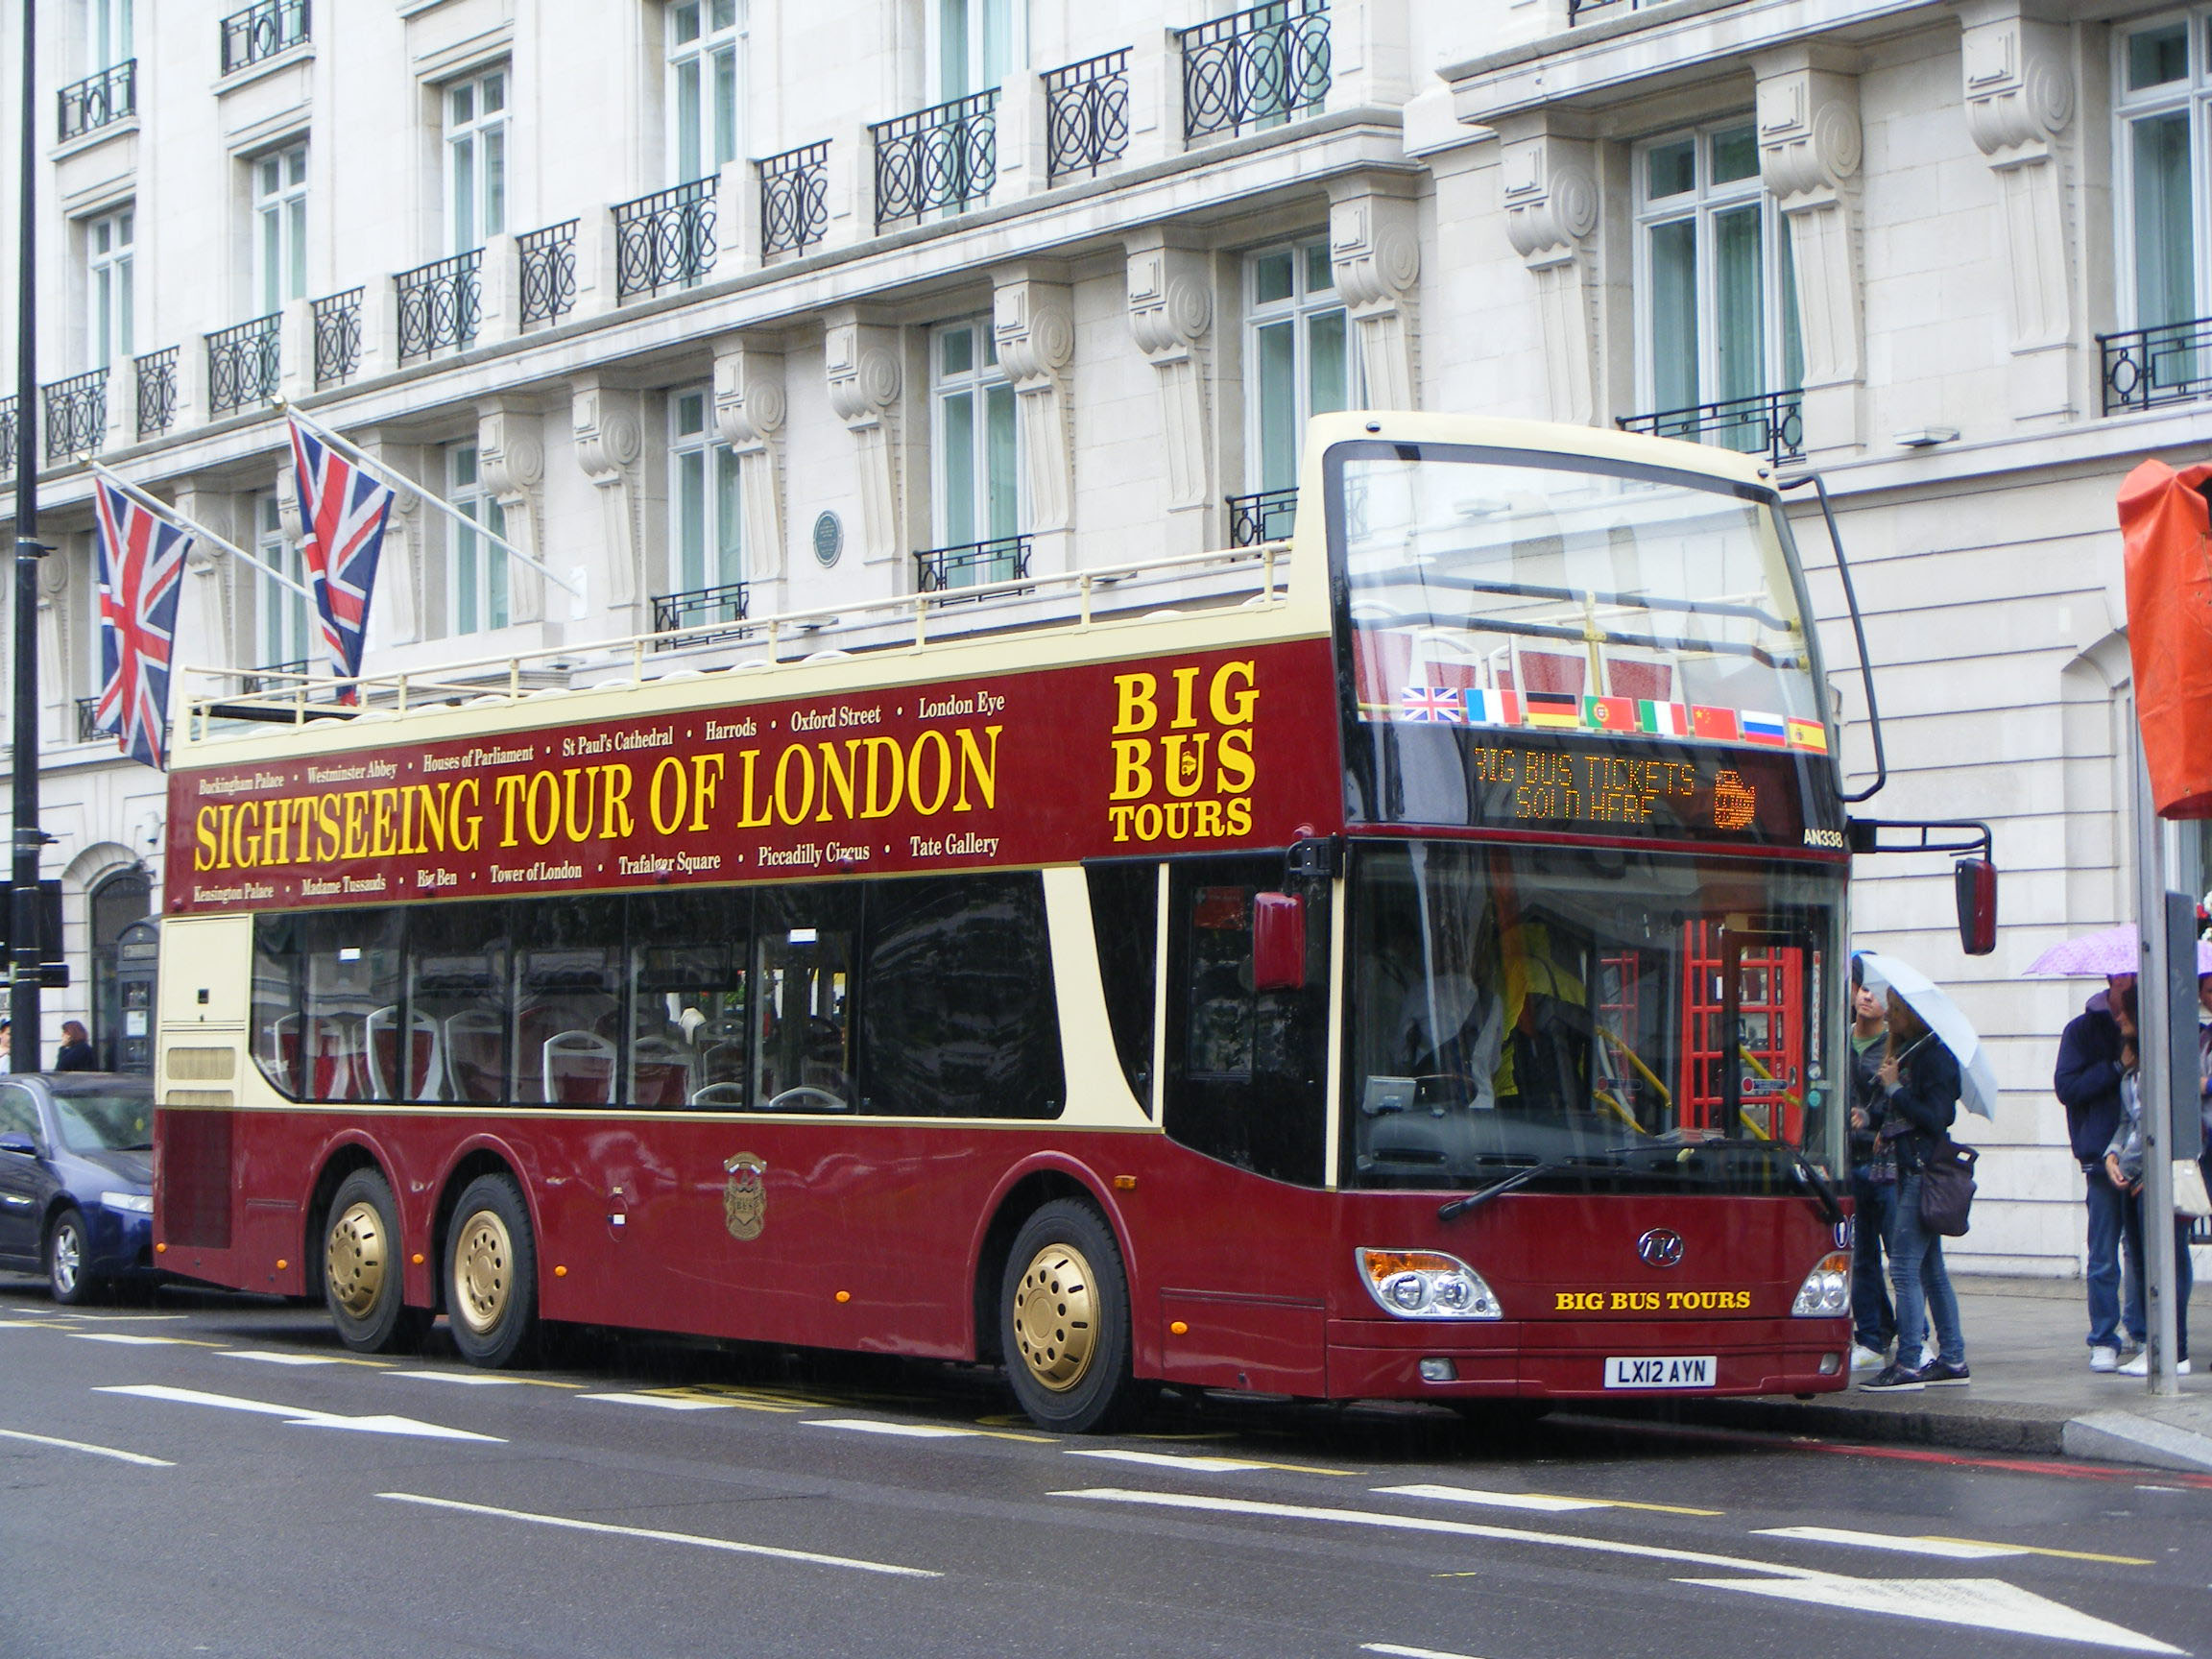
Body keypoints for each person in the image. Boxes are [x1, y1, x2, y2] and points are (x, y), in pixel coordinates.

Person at [1863, 992, 1969, 1390]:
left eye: (1895, 1006)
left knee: (1904, 1268)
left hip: (1922, 1171)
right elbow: (1903, 1115)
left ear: (1912, 1013)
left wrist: (1894, 1090)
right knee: (1931, 1270)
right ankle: (1954, 1358)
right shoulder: (1911, 1052)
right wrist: (1873, 1115)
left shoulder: (1935, 1057)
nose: (1888, 1013)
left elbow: (1937, 1118)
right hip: (1910, 1168)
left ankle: (1909, 1362)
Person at [2104, 983, 2193, 1376]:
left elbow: (2161, 1123)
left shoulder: (2165, 1062)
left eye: (2125, 1012)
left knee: (2164, 1264)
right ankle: (2155, 1344)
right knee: (2140, 1262)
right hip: (2132, 1173)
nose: (2119, 1018)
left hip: (2153, 1175)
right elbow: (2128, 1122)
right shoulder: (2132, 1066)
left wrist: (2133, 1165)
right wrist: (2112, 1155)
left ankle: (2173, 1349)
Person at [2056, 973, 2141, 1372]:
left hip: (2141, 1153)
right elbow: (2067, 1088)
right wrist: (2114, 1067)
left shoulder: (2150, 1020)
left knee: (2141, 1250)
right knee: (2104, 1251)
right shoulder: (2082, 1030)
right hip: (2099, 1152)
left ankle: (2139, 1329)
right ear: (2111, 982)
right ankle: (2104, 1336)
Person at [1847, 961, 1898, 1372]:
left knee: (1899, 1255)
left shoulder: (1894, 1048)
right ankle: (1871, 1334)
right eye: (1862, 987)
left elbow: (1900, 1106)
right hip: (1850, 1161)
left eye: (1876, 991)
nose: (1867, 995)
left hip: (1885, 1163)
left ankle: (1913, 1334)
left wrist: (1872, 1120)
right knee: (1861, 1257)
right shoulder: (1837, 1040)